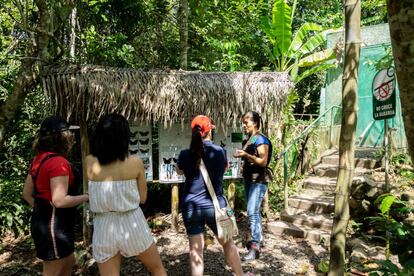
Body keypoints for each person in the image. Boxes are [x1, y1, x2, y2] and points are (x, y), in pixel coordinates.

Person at [85, 114, 166, 276]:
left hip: (103, 226)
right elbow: (142, 198)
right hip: (132, 222)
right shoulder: (135, 163)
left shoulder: (89, 162)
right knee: (157, 269)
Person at [176, 115, 248, 276]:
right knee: (228, 244)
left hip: (191, 207)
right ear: (210, 131)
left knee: (196, 250)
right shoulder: (220, 152)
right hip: (216, 207)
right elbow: (224, 168)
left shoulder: (185, 154)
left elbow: (179, 171)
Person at [22, 115, 89, 276]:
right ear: (64, 137)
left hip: (47, 224)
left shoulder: (39, 159)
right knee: (54, 271)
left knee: (67, 264)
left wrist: (41, 209)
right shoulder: (59, 163)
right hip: (54, 227)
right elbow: (59, 200)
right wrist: (87, 197)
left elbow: (26, 194)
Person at [234, 111, 272, 261]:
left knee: (252, 212)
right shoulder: (251, 139)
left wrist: (246, 155)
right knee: (253, 211)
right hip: (249, 178)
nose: (244, 125)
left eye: (246, 122)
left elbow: (263, 161)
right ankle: (257, 240)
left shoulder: (261, 139)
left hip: (259, 180)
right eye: (243, 122)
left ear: (255, 123)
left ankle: (256, 247)